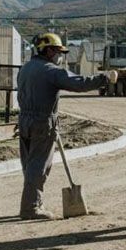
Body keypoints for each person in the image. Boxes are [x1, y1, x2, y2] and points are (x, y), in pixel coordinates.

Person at [17, 33, 117, 220]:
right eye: (58, 51)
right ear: (47, 51)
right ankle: (30, 208)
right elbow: (78, 84)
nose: (60, 56)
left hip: (24, 121)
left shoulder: (26, 68)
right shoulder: (51, 71)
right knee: (39, 167)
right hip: (42, 123)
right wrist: (104, 78)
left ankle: (34, 202)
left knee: (29, 166)